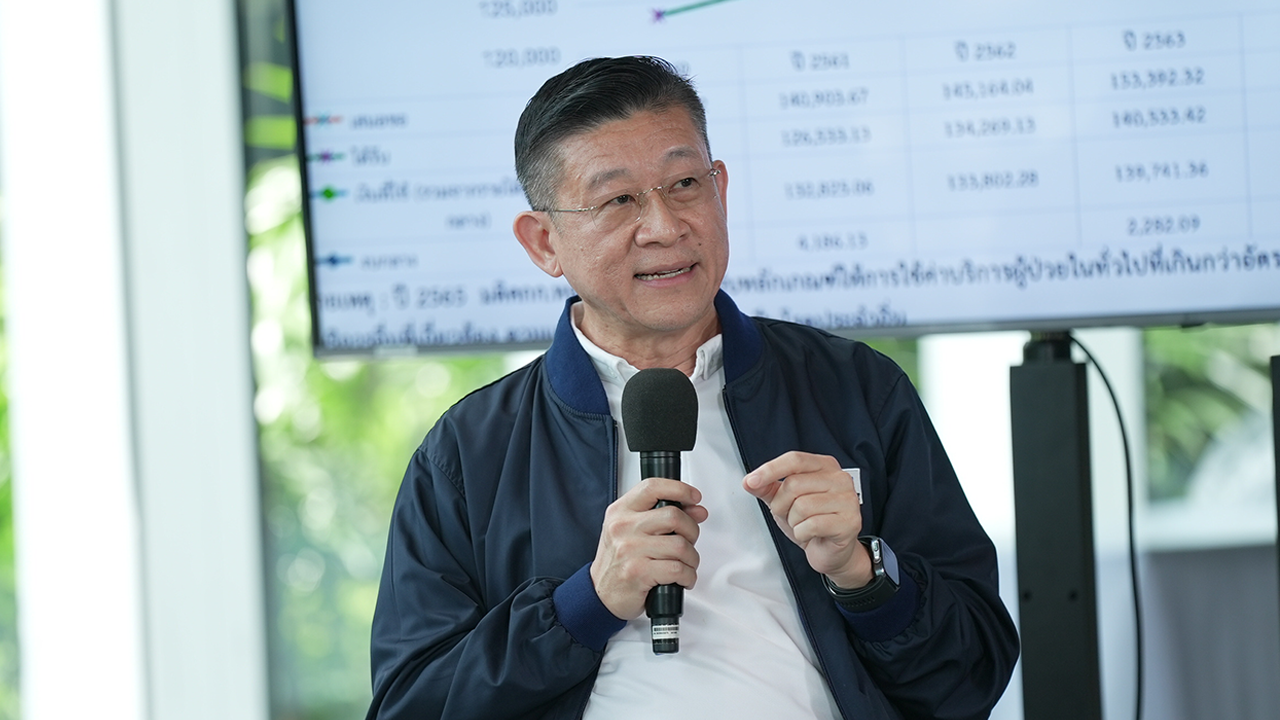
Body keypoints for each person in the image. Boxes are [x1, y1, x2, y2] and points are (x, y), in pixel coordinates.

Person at [366, 56, 1018, 720]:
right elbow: (411, 705)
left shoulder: (855, 389)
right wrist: (586, 604)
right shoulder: (470, 453)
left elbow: (971, 677)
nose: (665, 226)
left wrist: (862, 574)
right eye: (618, 200)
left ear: (720, 190)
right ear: (543, 243)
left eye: (684, 184)